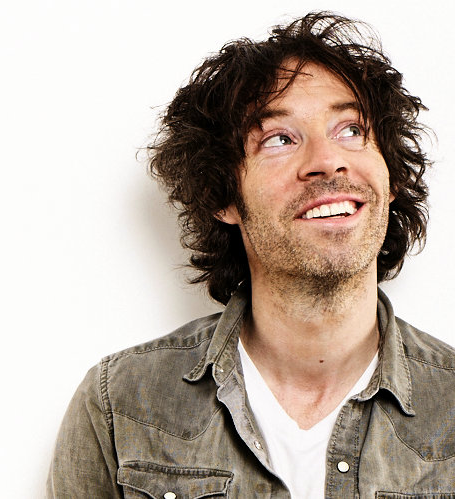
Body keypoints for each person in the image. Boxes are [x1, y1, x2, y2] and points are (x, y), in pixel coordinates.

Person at [46, 11, 455, 498]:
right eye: (280, 139)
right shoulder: (121, 404)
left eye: (350, 129)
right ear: (225, 197)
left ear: (391, 179)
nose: (328, 160)